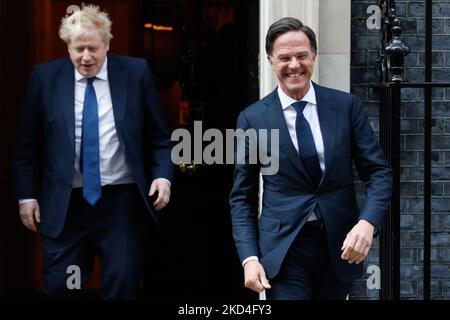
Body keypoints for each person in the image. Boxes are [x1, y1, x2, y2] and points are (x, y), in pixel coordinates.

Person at [13, 4, 173, 299]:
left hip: (120, 203)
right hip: (66, 203)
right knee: (63, 285)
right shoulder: (44, 78)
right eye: (78, 49)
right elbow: (26, 146)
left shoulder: (135, 73)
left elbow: (159, 137)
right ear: (68, 47)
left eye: (93, 48)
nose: (86, 57)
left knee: (121, 284)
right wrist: (27, 195)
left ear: (107, 44)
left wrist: (163, 177)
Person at [229, 17, 392, 300]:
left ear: (314, 55)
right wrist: (249, 258)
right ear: (270, 60)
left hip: (339, 246)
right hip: (284, 249)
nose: (294, 65)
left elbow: (379, 172)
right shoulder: (252, 119)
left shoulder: (346, 106)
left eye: (302, 55)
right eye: (284, 58)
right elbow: (242, 197)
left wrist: (368, 223)